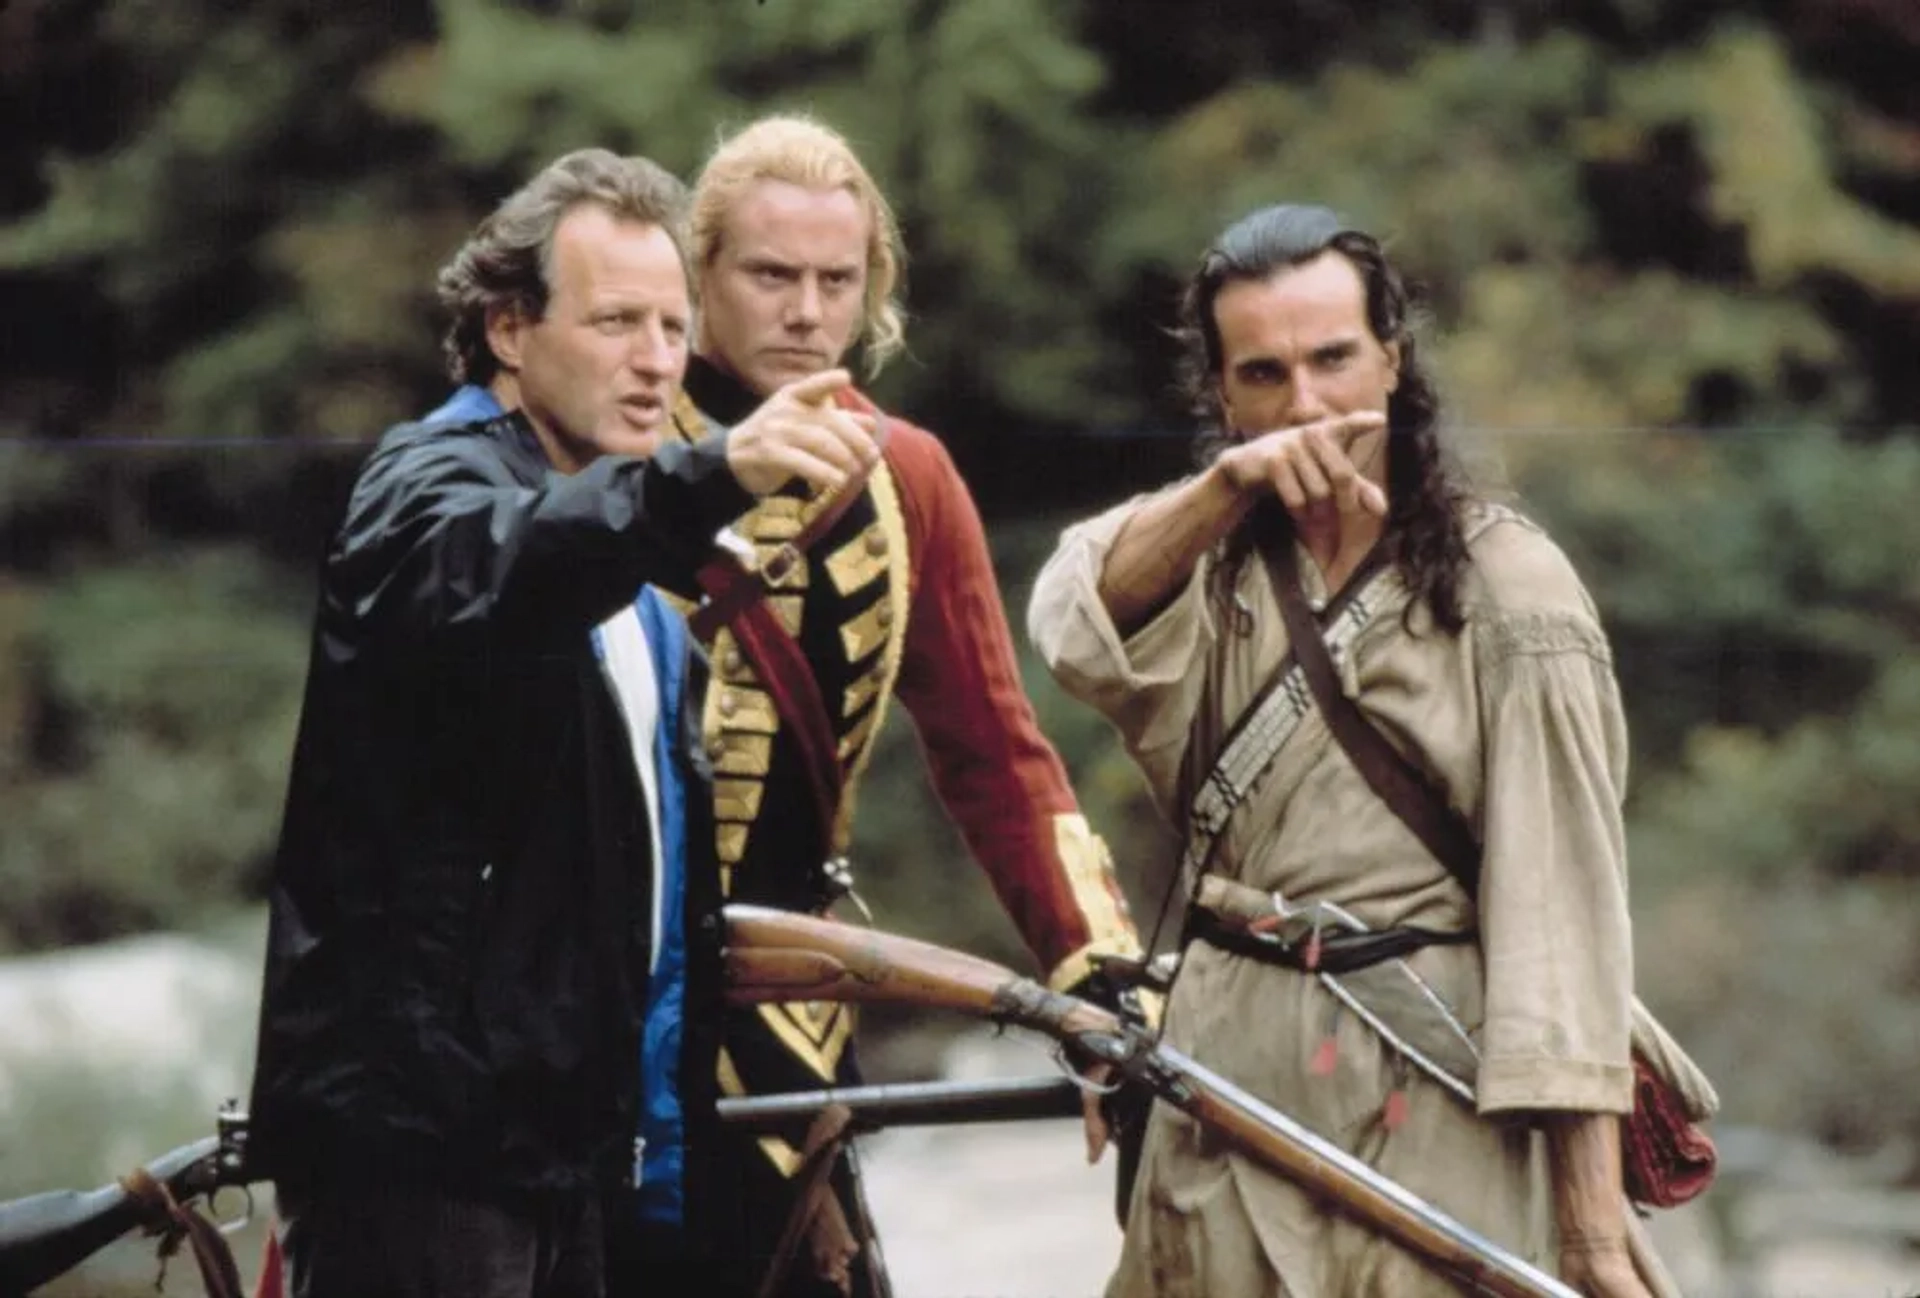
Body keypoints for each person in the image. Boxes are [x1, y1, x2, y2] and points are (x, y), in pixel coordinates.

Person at [243, 147, 880, 1298]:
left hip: (565, 1159)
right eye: (615, 322)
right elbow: (500, 566)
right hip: (421, 1156)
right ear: (507, 330)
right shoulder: (426, 483)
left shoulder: (634, 574)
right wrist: (711, 473)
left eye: (673, 327)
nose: (654, 363)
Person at [1025, 204, 1657, 1297]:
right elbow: (1075, 623)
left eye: (1333, 361)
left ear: (1393, 360)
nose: (1305, 405)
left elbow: (1563, 921)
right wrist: (1228, 488)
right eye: (1264, 374)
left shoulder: (1512, 588)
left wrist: (1592, 1233)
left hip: (1421, 1097)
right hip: (1223, 1087)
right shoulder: (1209, 560)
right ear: (1223, 392)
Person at [606, 114, 1145, 1298]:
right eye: (770, 275)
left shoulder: (906, 478)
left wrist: (1097, 974)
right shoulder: (613, 443)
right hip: (590, 1006)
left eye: (836, 280)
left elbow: (995, 755)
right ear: (699, 280)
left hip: (784, 1008)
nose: (806, 310)